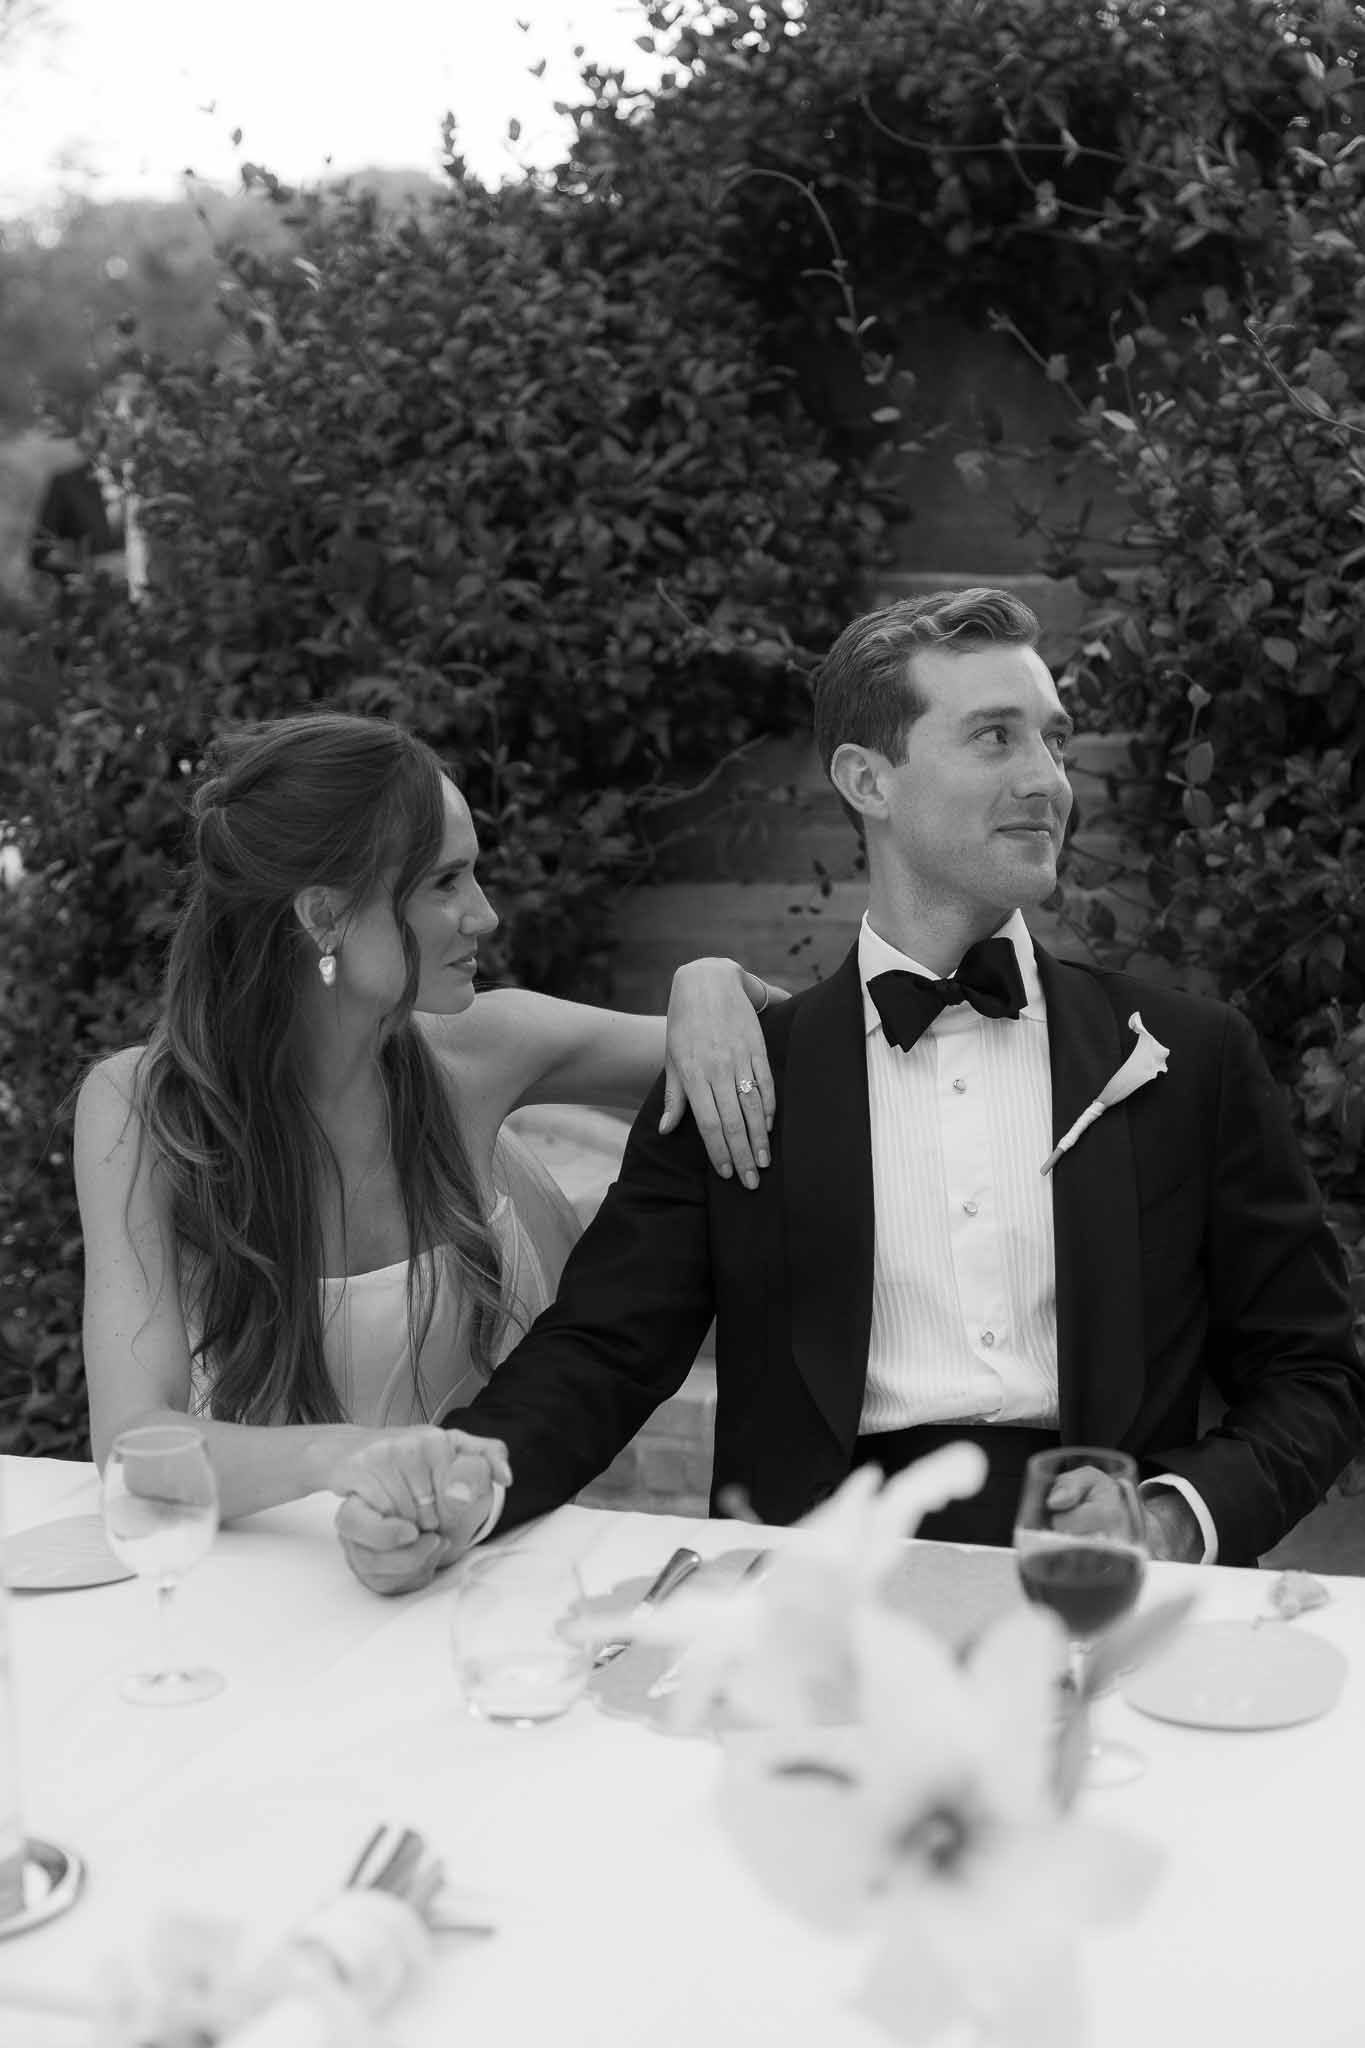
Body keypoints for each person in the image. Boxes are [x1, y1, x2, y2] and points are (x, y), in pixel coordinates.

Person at [335, 587, 1365, 1591]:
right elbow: (601, 1351)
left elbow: (1314, 1375)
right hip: (818, 1600)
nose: (1048, 777)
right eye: (996, 738)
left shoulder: (1191, 1058)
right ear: (869, 779)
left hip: (1099, 1589)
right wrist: (459, 1485)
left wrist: (1173, 1513)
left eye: (1051, 737)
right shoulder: (738, 1072)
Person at [75, 712, 789, 1526]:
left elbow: (813, 1056)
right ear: (323, 916)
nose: (484, 915)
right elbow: (133, 1446)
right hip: (274, 1586)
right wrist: (342, 1456)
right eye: (444, 883)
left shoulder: (484, 1047)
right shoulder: (145, 1110)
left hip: (492, 1564)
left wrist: (707, 983)